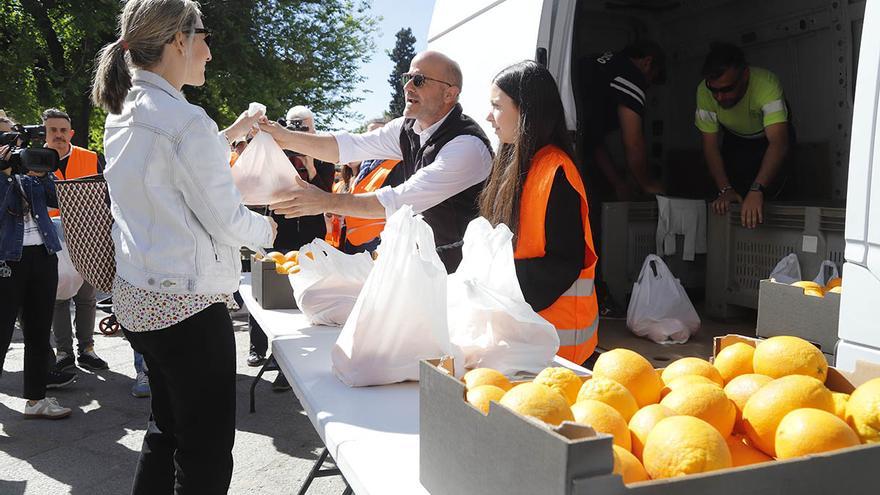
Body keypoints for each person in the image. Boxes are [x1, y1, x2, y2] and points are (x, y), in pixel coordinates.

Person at [92, 0, 276, 492]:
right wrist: (270, 231)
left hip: (139, 297)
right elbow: (227, 221)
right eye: (205, 36)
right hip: (186, 306)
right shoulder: (182, 121)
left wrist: (229, 134)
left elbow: (168, 168)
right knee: (205, 451)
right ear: (179, 40)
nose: (210, 52)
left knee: (166, 430)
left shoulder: (127, 108)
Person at [259, 50, 494, 273]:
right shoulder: (407, 128)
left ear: (449, 94)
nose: (407, 86)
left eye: (419, 80)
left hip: (463, 272)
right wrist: (286, 137)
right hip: (426, 265)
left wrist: (324, 201)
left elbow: (399, 200)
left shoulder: (467, 146)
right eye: (407, 78)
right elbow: (350, 146)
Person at [482, 60, 599, 365]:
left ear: (526, 110)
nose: (488, 117)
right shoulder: (517, 165)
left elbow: (563, 263)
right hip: (527, 340)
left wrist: (494, 282)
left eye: (496, 106)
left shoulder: (556, 170)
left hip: (558, 351)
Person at [246, 105, 334, 377]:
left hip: (311, 236)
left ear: (314, 129)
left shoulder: (323, 157)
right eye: (294, 126)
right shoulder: (277, 152)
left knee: (304, 294)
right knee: (267, 290)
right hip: (280, 232)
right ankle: (256, 347)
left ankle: (289, 358)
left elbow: (325, 195)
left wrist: (309, 163)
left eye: (304, 128)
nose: (299, 132)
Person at [0, 137, 74, 419]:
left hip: (43, 256)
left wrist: (40, 174)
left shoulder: (32, 172)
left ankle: (36, 400)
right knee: (2, 333)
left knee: (39, 333)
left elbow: (56, 200)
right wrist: (5, 175)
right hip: (8, 259)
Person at [40, 108, 109, 373]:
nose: (58, 135)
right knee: (59, 298)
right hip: (51, 240)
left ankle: (87, 349)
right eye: (52, 130)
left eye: (62, 130)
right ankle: (64, 353)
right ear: (44, 132)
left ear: (71, 133)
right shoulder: (34, 162)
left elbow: (106, 196)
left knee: (86, 297)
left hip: (88, 236)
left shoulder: (91, 158)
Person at [696, 42, 792, 229]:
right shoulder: (703, 92)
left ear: (745, 76)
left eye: (727, 89)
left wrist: (758, 189)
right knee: (736, 192)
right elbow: (710, 146)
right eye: (714, 90)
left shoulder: (766, 85)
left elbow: (778, 144)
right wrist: (725, 189)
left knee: (772, 191)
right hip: (735, 138)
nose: (720, 97)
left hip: (768, 138)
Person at [342, 119, 404, 254]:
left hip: (378, 244)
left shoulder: (398, 164)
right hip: (354, 243)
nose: (372, 138)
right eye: (369, 134)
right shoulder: (364, 166)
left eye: (377, 134)